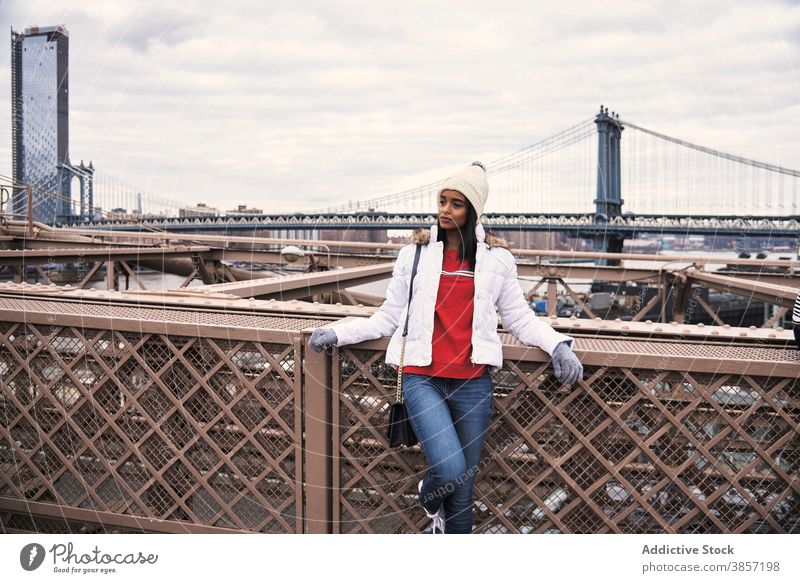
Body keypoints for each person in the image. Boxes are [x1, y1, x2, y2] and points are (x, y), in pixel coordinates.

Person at [309, 161, 583, 534]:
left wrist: (558, 345)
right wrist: (338, 333)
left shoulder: (497, 260)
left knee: (462, 492)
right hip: (423, 379)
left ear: (473, 211)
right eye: (442, 200)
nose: (445, 210)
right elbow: (388, 317)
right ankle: (427, 492)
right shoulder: (415, 255)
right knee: (451, 471)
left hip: (473, 385)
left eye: (456, 203)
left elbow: (519, 319)